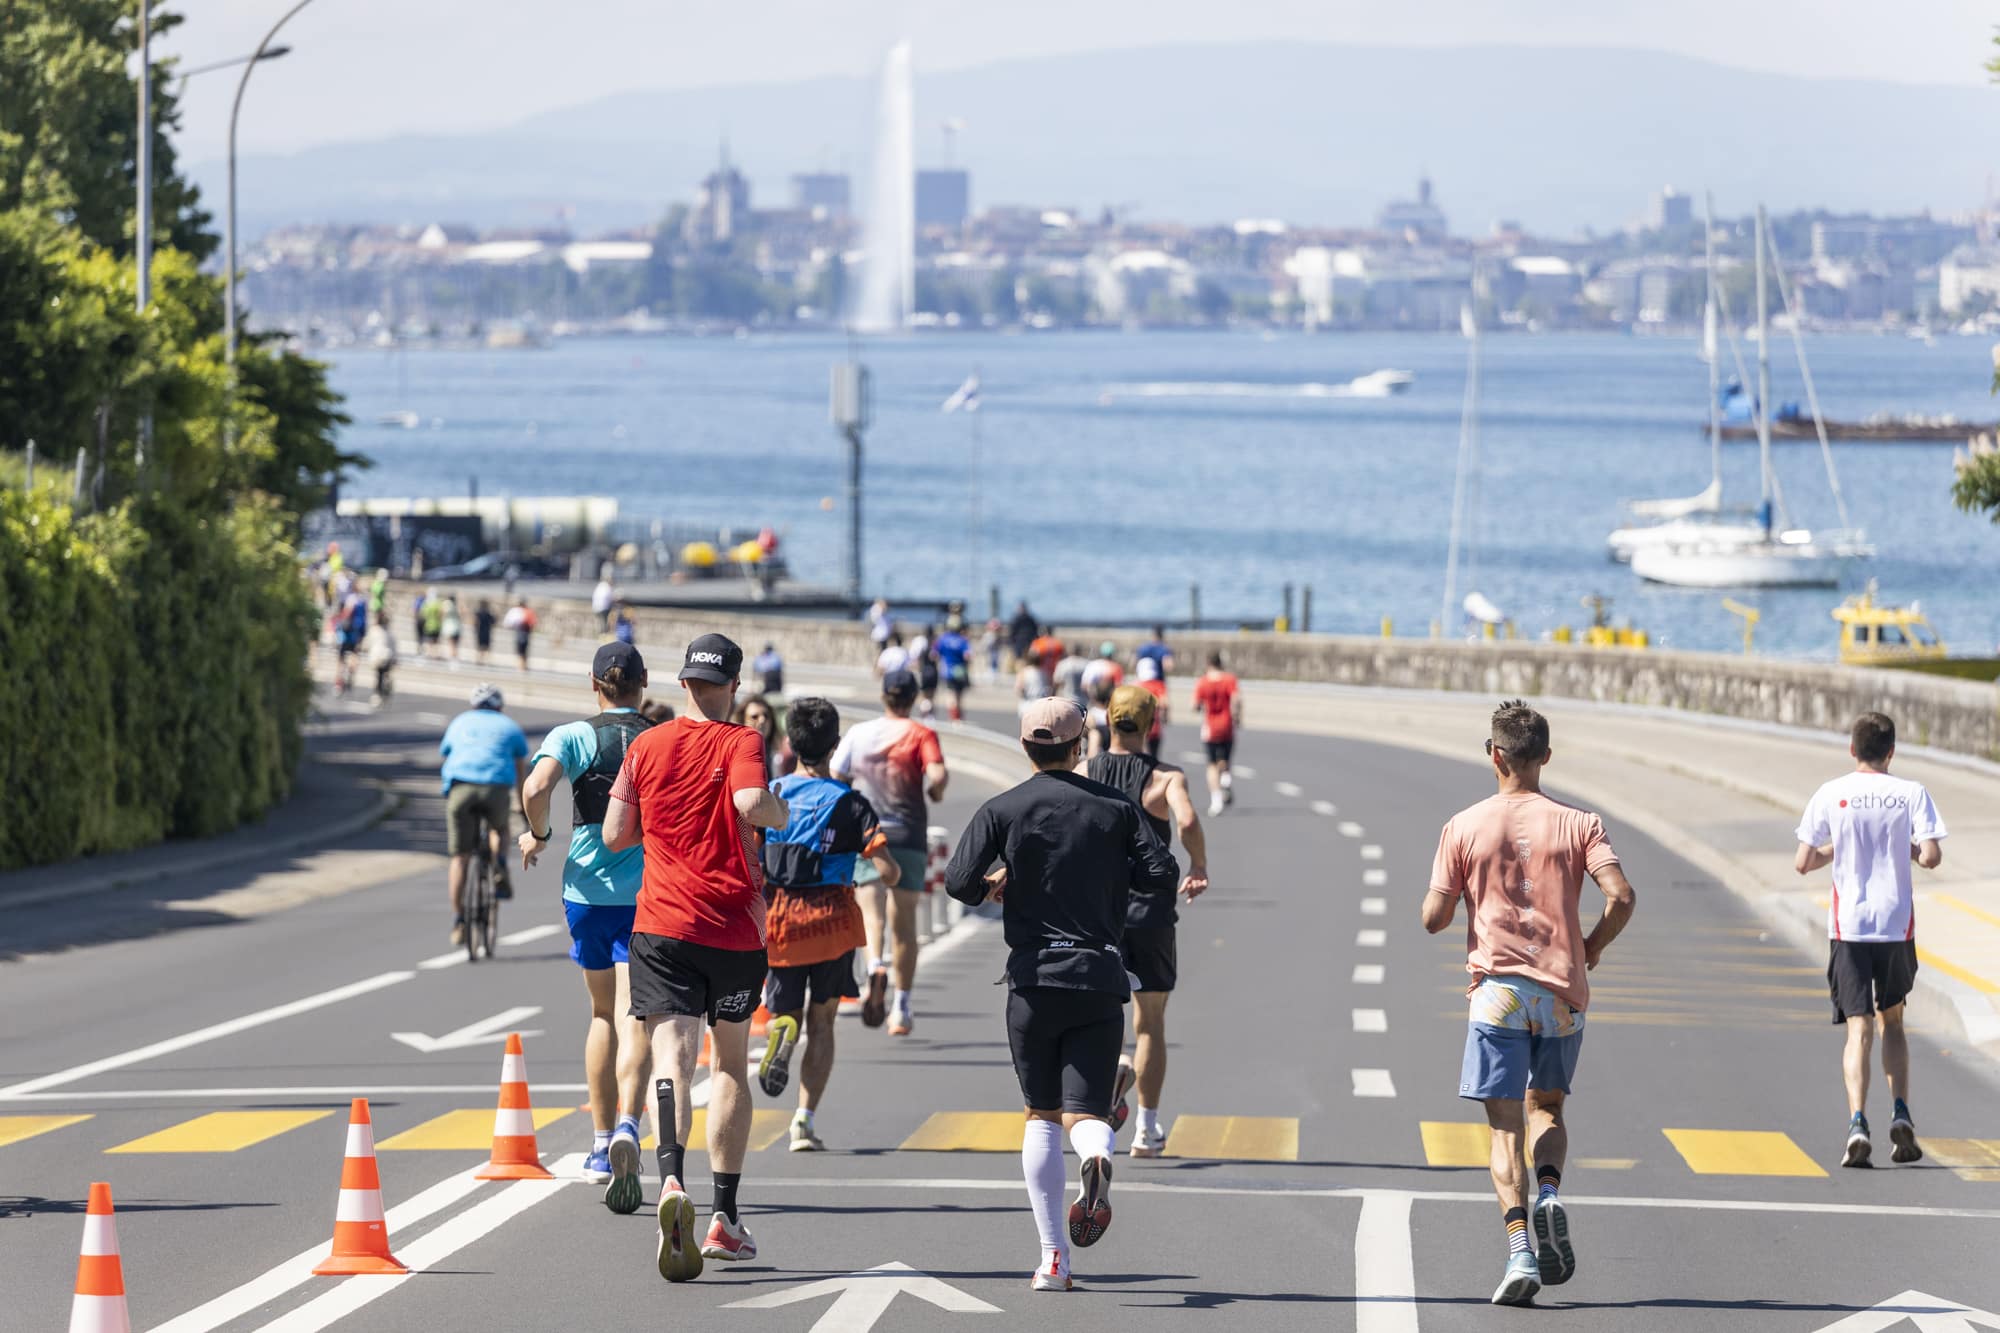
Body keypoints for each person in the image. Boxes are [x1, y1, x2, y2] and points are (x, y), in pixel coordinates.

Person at [944, 698, 1181, 1293]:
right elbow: (1162, 873)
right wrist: (1110, 876)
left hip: (1032, 979)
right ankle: (1097, 1154)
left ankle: (1053, 1261)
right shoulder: (1115, 808)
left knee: (1041, 1115)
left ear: (1025, 747)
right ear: (1080, 748)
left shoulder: (1002, 808)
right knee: (1087, 1113)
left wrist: (998, 882)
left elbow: (958, 882)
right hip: (1097, 975)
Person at [1421, 699, 1637, 1307]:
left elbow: (1434, 918)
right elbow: (1621, 895)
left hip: (1497, 994)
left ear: (1494, 756)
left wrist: (1456, 894)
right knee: (1547, 1110)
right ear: (1545, 756)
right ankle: (1549, 1192)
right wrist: (1591, 947)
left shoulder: (1464, 826)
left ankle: (1520, 1249)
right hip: (1561, 991)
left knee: (1503, 1126)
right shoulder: (1581, 823)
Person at [602, 634, 790, 1280]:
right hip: (733, 928)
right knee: (729, 1062)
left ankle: (671, 1181)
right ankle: (725, 1218)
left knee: (671, 1061)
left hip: (661, 926)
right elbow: (750, 802)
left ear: (683, 683)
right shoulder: (743, 742)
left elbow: (614, 833)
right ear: (733, 686)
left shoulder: (646, 745)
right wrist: (779, 812)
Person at [518, 643, 657, 1213]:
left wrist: (540, 835)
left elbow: (535, 789)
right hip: (650, 894)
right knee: (636, 1014)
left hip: (586, 893)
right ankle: (629, 1124)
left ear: (594, 685)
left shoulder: (573, 736)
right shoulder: (658, 738)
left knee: (602, 1014)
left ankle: (600, 1147)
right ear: (644, 685)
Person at [1793, 710, 1947, 1169]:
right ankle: (1900, 1111)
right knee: (1892, 1022)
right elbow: (1931, 856)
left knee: (1858, 1027)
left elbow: (1803, 862)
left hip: (1850, 927)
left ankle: (1857, 1122)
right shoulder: (1911, 793)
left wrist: (1835, 848)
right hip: (1895, 925)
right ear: (1891, 752)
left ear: (1852, 749)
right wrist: (1909, 849)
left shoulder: (1831, 792)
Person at [757, 697, 902, 1152]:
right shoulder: (851, 803)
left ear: (790, 741)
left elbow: (747, 855)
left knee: (787, 1012)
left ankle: (783, 1026)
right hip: (832, 924)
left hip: (780, 920)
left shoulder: (771, 793)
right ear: (835, 745)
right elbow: (887, 871)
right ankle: (803, 1121)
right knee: (823, 1020)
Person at [1088, 686, 1210, 1159]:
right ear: (1151, 724)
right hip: (1150, 914)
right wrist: (1198, 865)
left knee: (1098, 1015)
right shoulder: (1165, 778)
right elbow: (1188, 821)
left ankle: (1106, 1089)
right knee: (1150, 1021)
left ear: (1108, 720)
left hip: (1097, 913)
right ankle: (1147, 1128)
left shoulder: (1085, 773)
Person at [833, 668, 948, 1036]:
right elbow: (937, 776)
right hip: (909, 833)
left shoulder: (859, 733)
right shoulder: (921, 733)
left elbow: (836, 774)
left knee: (872, 912)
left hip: (868, 833)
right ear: (913, 698)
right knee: (905, 922)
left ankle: (875, 967)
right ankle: (902, 1006)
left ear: (883, 696)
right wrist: (934, 793)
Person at [439, 684, 530, 945]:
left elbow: (446, 755)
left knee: (459, 858)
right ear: (499, 706)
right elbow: (520, 770)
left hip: (461, 789)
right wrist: (521, 806)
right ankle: (499, 864)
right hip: (495, 788)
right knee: (499, 828)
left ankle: (459, 921)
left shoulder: (459, 722)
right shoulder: (510, 726)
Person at [1191, 653, 1242, 817]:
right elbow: (1236, 699)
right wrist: (1237, 717)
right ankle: (1226, 779)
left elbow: (1195, 705)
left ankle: (1216, 799)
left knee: (1211, 764)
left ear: (1208, 664)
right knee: (1225, 758)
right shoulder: (1229, 679)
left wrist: (1201, 706)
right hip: (1227, 725)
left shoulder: (1203, 682)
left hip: (1210, 727)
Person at [733, 694, 794, 780]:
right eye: (754, 717)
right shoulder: (735, 756)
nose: (762, 720)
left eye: (766, 716)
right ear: (742, 721)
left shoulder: (779, 758)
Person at [935, 619, 973, 721]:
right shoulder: (963, 640)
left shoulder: (943, 639)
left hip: (947, 670)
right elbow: (967, 656)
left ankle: (953, 717)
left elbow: (935, 654)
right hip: (960, 670)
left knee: (951, 694)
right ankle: (959, 717)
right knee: (959, 695)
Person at [333, 586, 368, 695]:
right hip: (356, 633)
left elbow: (345, 614)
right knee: (354, 655)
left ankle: (339, 681)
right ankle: (351, 674)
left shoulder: (350, 599)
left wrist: (338, 626)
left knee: (340, 658)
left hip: (345, 633)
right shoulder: (362, 601)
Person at [1134, 656, 1169, 759]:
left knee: (1140, 758)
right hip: (1155, 727)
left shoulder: (1136, 685)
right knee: (1154, 758)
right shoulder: (1159, 685)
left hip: (1138, 728)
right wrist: (1165, 717)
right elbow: (1165, 704)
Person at [365, 612, 398, 706]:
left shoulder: (374, 630)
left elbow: (368, 643)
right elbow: (393, 645)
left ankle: (378, 694)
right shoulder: (388, 632)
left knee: (379, 676)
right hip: (387, 656)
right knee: (384, 674)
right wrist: (395, 658)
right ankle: (384, 689)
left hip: (377, 657)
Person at [1053, 642, 1090, 710]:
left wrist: (1053, 696)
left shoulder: (1063, 664)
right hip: (1083, 701)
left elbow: (1057, 682)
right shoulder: (1086, 664)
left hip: (1067, 700)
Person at [1016, 650, 1051, 721]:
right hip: (1041, 704)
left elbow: (1019, 689)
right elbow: (1050, 688)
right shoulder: (1044, 673)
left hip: (1027, 704)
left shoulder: (1024, 672)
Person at [504, 597, 537, 673]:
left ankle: (521, 666)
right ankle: (523, 666)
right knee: (524, 650)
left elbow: (510, 622)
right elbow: (533, 623)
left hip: (521, 631)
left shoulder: (519, 611)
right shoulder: (529, 611)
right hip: (526, 632)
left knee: (521, 649)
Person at [1008, 601, 1039, 667]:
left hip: (1026, 641)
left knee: (1025, 658)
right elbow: (1012, 631)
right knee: (1021, 659)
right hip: (1020, 642)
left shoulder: (1029, 619)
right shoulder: (1018, 619)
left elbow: (1035, 630)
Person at [420, 588, 445, 658]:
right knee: (436, 640)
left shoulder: (427, 603)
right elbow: (441, 613)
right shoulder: (438, 603)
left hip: (429, 624)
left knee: (429, 640)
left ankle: (430, 653)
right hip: (437, 625)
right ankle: (435, 654)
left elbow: (423, 613)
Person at [440, 594, 464, 662]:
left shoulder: (447, 606)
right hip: (457, 627)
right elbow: (462, 614)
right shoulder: (457, 606)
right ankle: (455, 657)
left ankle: (453, 657)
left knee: (451, 644)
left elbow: (442, 614)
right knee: (455, 644)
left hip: (450, 627)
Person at [592, 565, 617, 630]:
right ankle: (605, 631)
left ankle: (602, 631)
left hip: (596, 607)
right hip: (603, 608)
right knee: (604, 622)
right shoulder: (607, 587)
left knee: (600, 622)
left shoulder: (600, 585)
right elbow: (611, 598)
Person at [474, 599, 497, 666]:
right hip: (487, 631)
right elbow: (493, 622)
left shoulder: (478, 613)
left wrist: (475, 630)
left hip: (480, 631)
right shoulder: (488, 613)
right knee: (487, 647)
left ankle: (479, 660)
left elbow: (475, 622)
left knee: (479, 646)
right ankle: (488, 661)